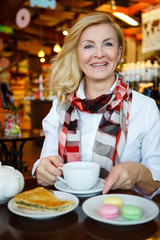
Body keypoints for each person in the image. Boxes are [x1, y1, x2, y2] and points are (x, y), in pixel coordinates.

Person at [32, 13, 160, 198]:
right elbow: (46, 163)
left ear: (119, 52)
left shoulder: (145, 108)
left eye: (108, 44)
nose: (99, 53)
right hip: (68, 213)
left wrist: (137, 173)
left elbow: (154, 185)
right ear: (76, 53)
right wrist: (41, 169)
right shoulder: (60, 106)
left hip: (122, 216)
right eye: (88, 46)